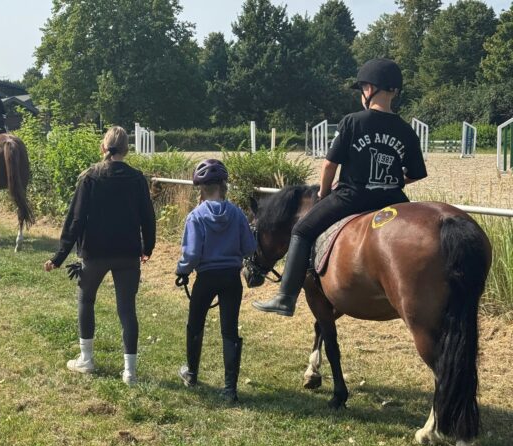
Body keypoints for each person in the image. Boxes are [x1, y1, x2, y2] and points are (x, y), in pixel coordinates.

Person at [252, 58, 428, 317]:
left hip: (353, 197)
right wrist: (391, 182)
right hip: (394, 200)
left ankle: (285, 298)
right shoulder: (406, 130)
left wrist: (323, 194)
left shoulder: (352, 122)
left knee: (301, 230)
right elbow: (416, 174)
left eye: (362, 89)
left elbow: (329, 167)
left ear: (370, 89)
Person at [43, 126, 156, 386]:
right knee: (127, 310)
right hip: (128, 253)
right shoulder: (137, 179)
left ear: (103, 147)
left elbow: (75, 220)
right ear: (127, 149)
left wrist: (59, 257)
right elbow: (147, 218)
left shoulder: (90, 177)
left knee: (86, 299)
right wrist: (147, 248)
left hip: (95, 253)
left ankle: (87, 359)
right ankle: (130, 371)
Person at [175, 159, 256, 403]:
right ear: (223, 186)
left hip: (206, 278)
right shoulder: (237, 213)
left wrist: (182, 271)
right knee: (229, 330)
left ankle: (191, 373)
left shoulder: (195, 216)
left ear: (201, 189)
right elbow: (249, 247)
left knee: (195, 323)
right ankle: (230, 388)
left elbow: (191, 254)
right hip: (231, 277)